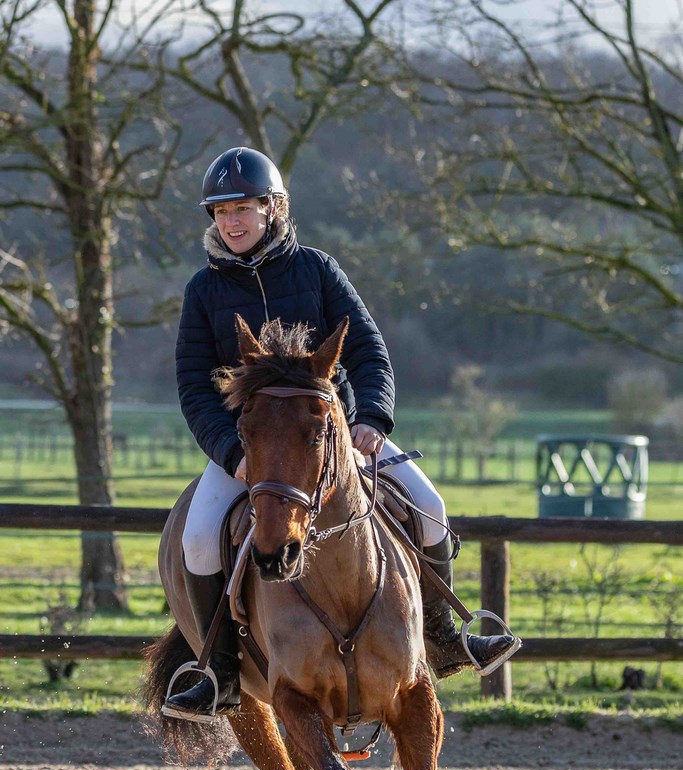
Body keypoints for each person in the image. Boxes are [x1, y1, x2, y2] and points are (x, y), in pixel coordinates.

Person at [164, 147, 515, 719]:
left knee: (428, 505)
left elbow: (371, 352)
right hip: (251, 449)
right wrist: (232, 455)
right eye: (221, 212)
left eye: (243, 209)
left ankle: (445, 638)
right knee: (200, 538)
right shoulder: (203, 291)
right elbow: (193, 389)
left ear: (272, 209)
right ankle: (219, 672)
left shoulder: (318, 270)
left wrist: (371, 420)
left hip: (335, 436)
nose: (231, 222)